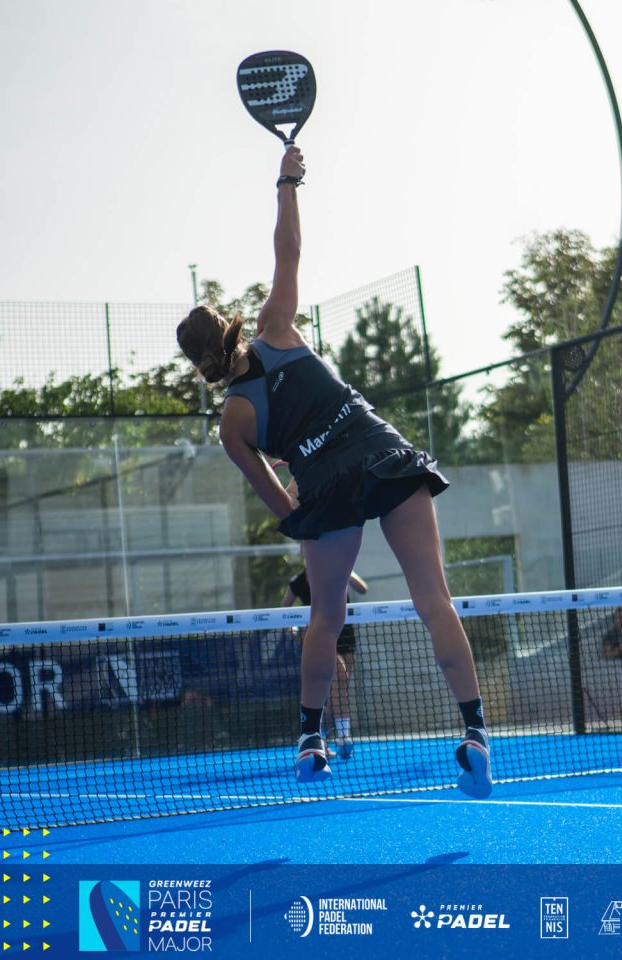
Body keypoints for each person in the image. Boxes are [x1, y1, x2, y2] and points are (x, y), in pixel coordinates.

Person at [176, 146, 492, 799]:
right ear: (230, 324)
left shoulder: (233, 424)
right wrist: (287, 182)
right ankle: (475, 732)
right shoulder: (276, 327)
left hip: (325, 488)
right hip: (382, 452)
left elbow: (281, 507)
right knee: (434, 600)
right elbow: (288, 249)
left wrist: (308, 503)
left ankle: (310, 738)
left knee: (325, 616)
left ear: (197, 364)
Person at [282, 564, 368, 760]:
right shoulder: (297, 582)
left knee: (339, 691)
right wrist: (292, 628)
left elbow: (362, 589)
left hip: (346, 637)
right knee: (340, 677)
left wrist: (345, 570)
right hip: (322, 636)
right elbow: (284, 609)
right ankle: (344, 737)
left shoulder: (342, 567)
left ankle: (318, 736)